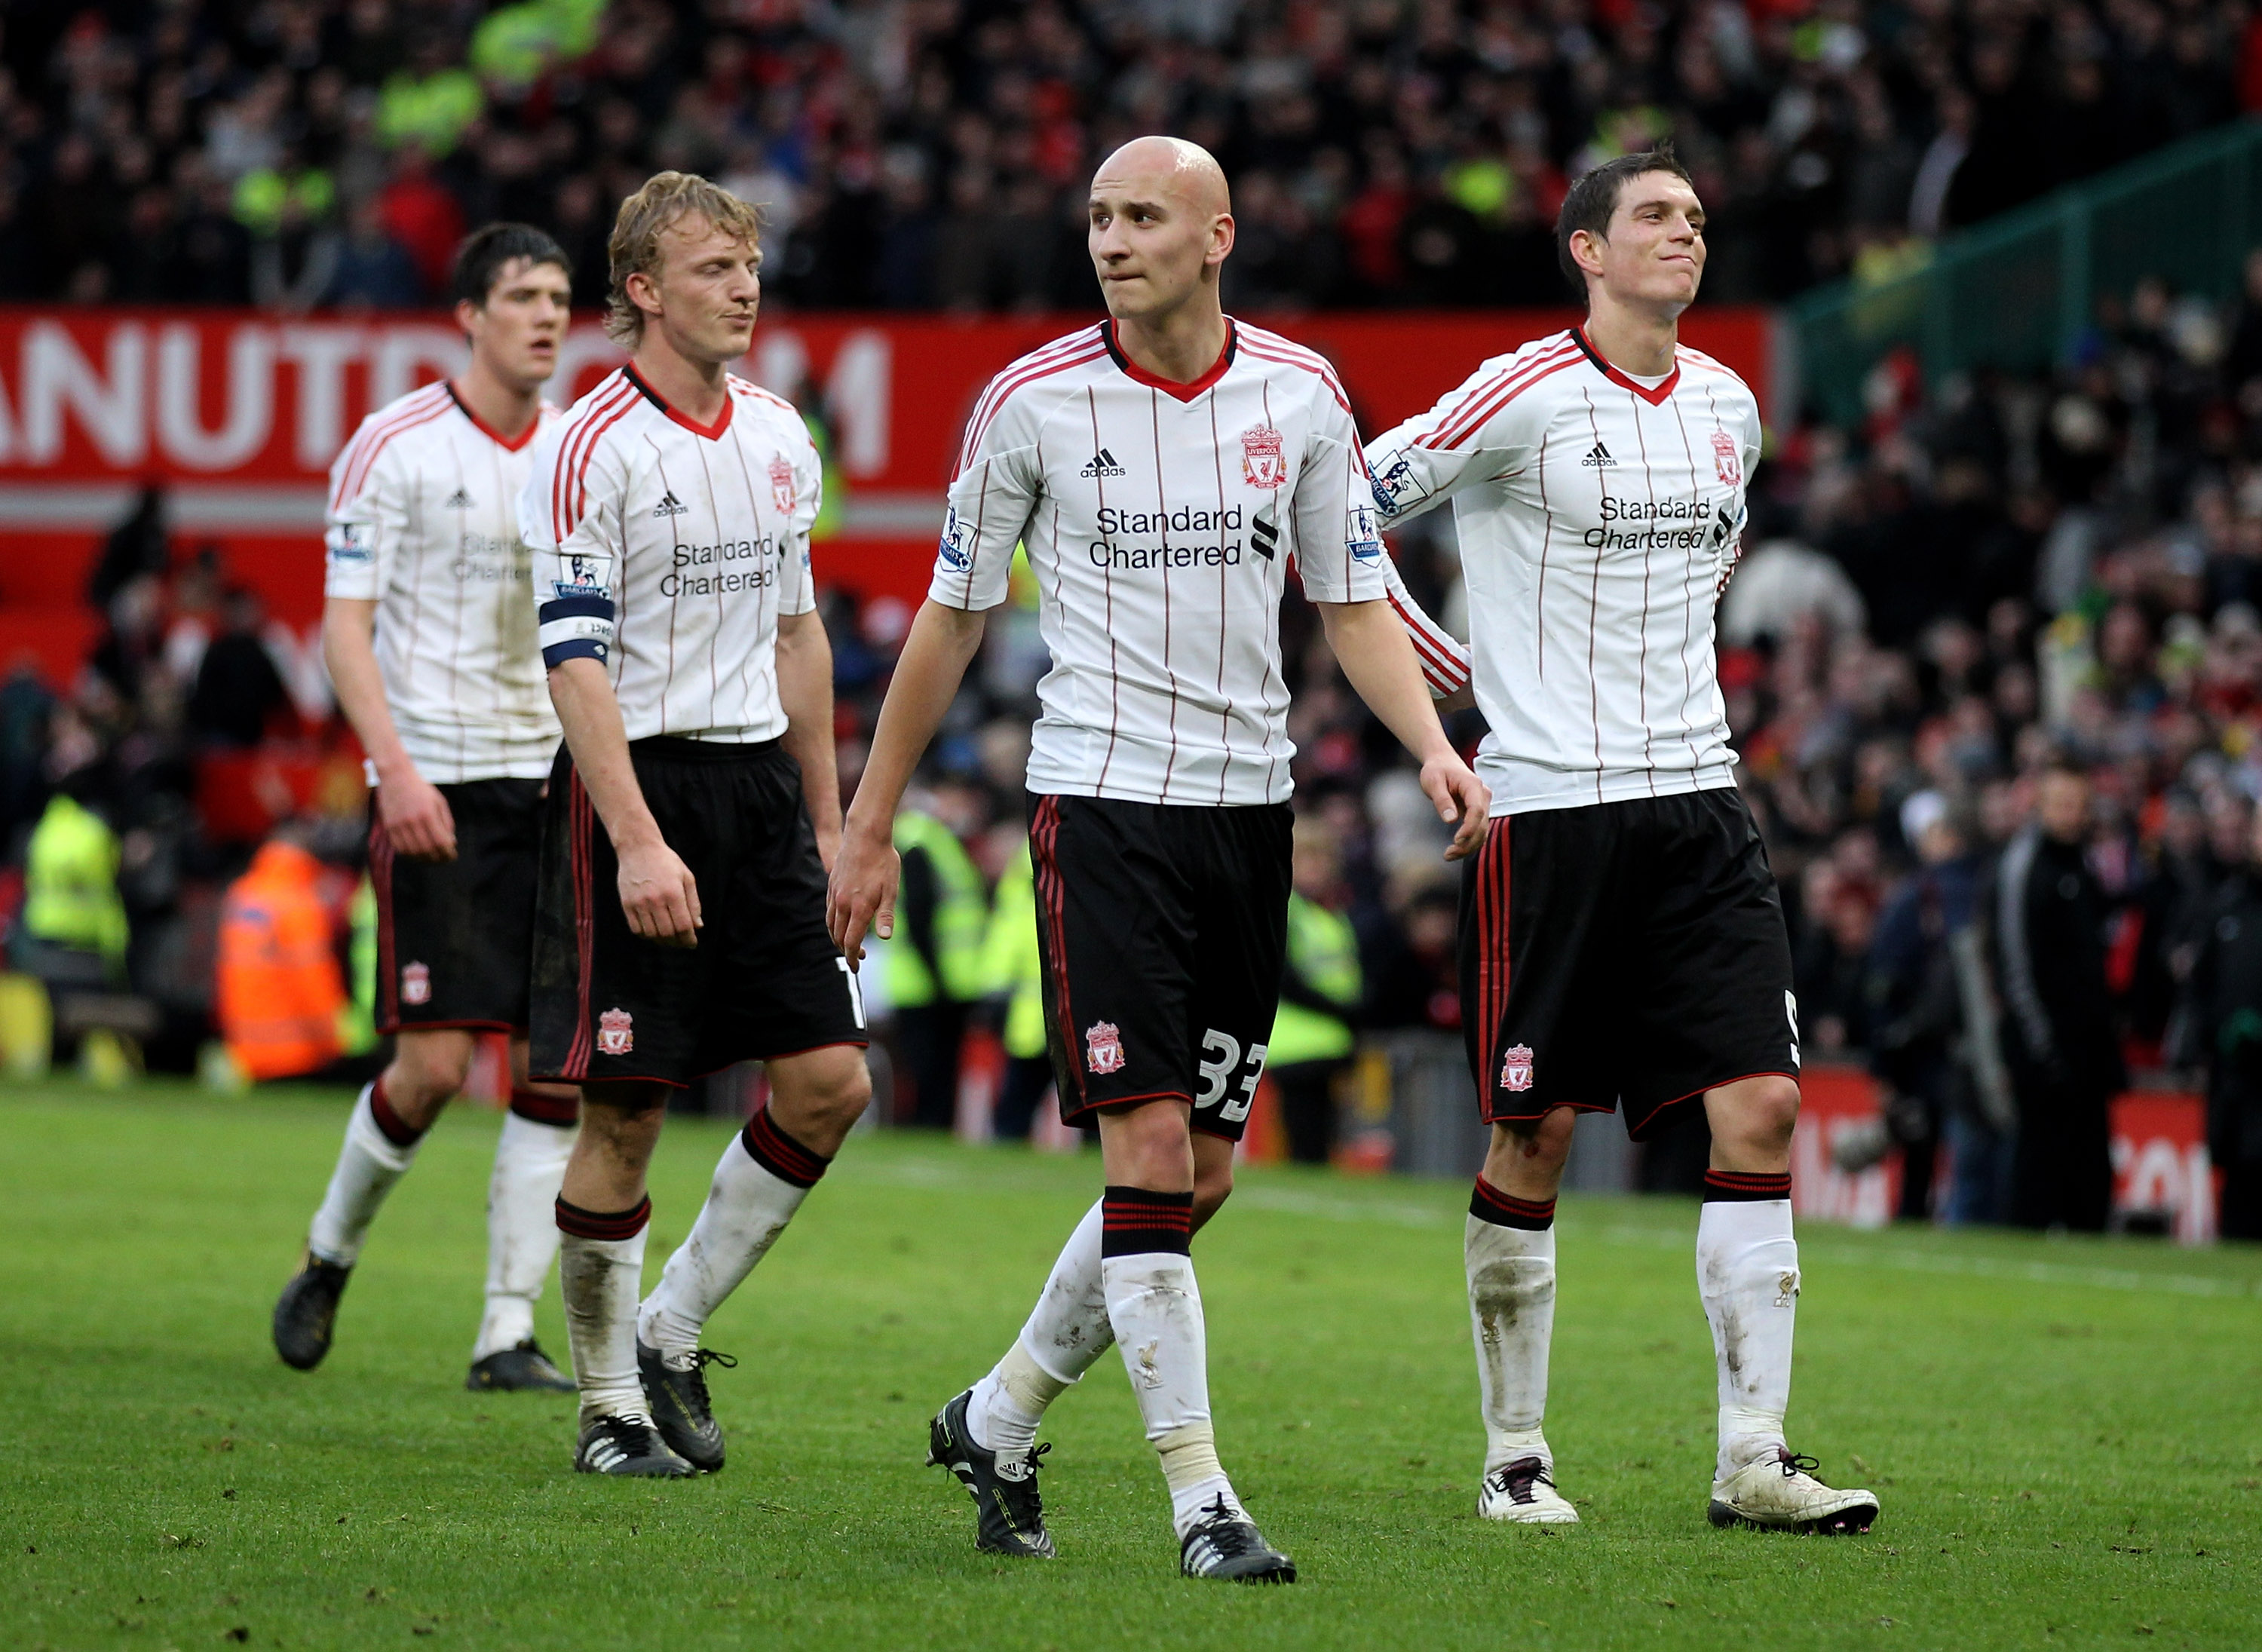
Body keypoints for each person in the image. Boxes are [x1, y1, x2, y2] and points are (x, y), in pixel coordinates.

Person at [828, 135, 1488, 1582]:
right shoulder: (1030, 402)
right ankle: (1202, 1500)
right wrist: (868, 816)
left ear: (1219, 234)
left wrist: (1432, 744)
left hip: (1251, 824)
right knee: (1140, 1151)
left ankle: (996, 1415)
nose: (1112, 240)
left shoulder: (1302, 395)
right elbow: (947, 620)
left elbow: (1353, 599)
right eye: (1098, 217)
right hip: (1104, 809)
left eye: (1141, 216)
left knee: (1199, 1176)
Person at [1362, 143, 1879, 1534]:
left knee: (1764, 1106)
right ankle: (1514, 1455)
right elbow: (1342, 515)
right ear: (1585, 248)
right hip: (1551, 809)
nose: (1683, 235)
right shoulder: (1523, 391)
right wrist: (1448, 680)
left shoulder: (1728, 406)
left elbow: (1708, 568)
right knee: (1532, 1133)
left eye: (1698, 219)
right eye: (1653, 215)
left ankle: (1754, 1457)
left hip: (1701, 802)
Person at [517, 171, 872, 1479]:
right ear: (646, 291)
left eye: (749, 263)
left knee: (831, 1084)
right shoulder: (589, 444)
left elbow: (797, 634)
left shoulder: (781, 432)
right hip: (639, 788)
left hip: (758, 798)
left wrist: (831, 828)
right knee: (624, 1115)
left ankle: (668, 1328)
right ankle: (608, 1412)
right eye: (714, 267)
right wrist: (635, 839)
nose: (744, 286)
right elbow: (574, 661)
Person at [271, 224, 586, 1396]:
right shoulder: (390, 446)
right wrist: (392, 769)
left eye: (561, 297)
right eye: (523, 296)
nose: (548, 317)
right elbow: (343, 626)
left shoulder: (578, 449)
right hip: (436, 781)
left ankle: (505, 1328)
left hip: (553, 779)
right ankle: (329, 1251)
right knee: (435, 1066)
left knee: (556, 1062)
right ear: (468, 312)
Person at [1994, 762, 2123, 1232]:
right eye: (2063, 805)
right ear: (2040, 808)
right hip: (2044, 1048)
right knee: (2039, 1168)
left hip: (2086, 1045)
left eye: (2080, 806)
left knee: (2091, 1171)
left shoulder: (2084, 864)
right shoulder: (2026, 866)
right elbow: (2016, 963)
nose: (2073, 815)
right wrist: (2042, 1046)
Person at [2179, 799, 2262, 1240]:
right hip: (2235, 1079)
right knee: (2239, 1187)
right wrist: (2206, 1039)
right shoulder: (2227, 905)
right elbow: (2201, 985)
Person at [885, 783, 990, 1129]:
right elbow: (919, 919)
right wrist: (939, 981)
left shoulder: (935, 840)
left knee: (937, 1071)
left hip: (937, 980)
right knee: (929, 1072)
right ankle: (923, 1126)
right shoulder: (922, 841)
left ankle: (931, 1126)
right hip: (928, 981)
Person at [217, 818, 350, 1082]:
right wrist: (334, 1043)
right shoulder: (299, 902)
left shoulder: (242, 893)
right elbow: (313, 978)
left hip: (245, 1048)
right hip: (295, 1051)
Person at [1270, 814, 1363, 1164]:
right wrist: (1344, 1010)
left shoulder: (1330, 913)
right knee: (1304, 1142)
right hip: (1296, 1044)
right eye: (1307, 858)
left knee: (1323, 1144)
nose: (1316, 867)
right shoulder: (1288, 909)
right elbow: (1286, 979)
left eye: (1322, 858)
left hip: (1331, 1042)